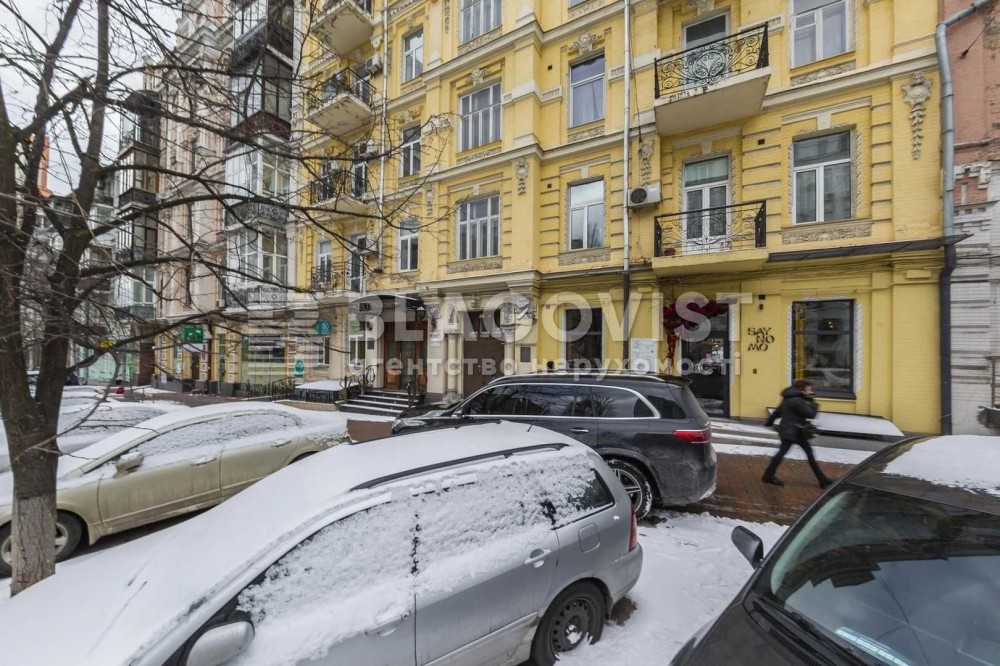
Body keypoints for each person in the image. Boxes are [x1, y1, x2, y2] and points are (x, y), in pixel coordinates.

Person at [762, 379, 832, 489]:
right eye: (809, 389)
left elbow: (777, 412)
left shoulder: (789, 398)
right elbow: (811, 414)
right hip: (795, 432)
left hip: (791, 430)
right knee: (805, 454)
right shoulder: (797, 401)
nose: (811, 391)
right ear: (802, 389)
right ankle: (823, 480)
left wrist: (769, 422)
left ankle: (768, 476)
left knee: (784, 453)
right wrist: (813, 401)